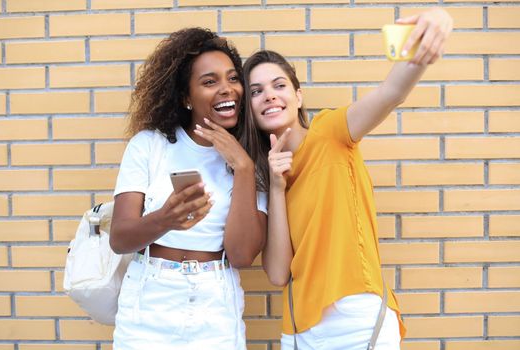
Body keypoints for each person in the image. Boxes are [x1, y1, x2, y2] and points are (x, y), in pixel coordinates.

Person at [238, 8, 453, 350]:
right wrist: (277, 188)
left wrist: (434, 26)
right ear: (249, 107)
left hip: (357, 321)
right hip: (300, 331)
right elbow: (278, 275)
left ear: (298, 95)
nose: (269, 96)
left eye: (279, 85)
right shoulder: (265, 176)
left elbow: (391, 93)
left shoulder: (331, 132)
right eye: (256, 91)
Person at [110, 27, 267, 349]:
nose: (227, 89)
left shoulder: (253, 157)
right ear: (185, 97)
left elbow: (242, 255)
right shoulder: (149, 146)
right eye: (210, 82)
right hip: (149, 300)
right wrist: (164, 219)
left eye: (233, 78)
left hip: (215, 303)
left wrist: (244, 169)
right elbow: (120, 238)